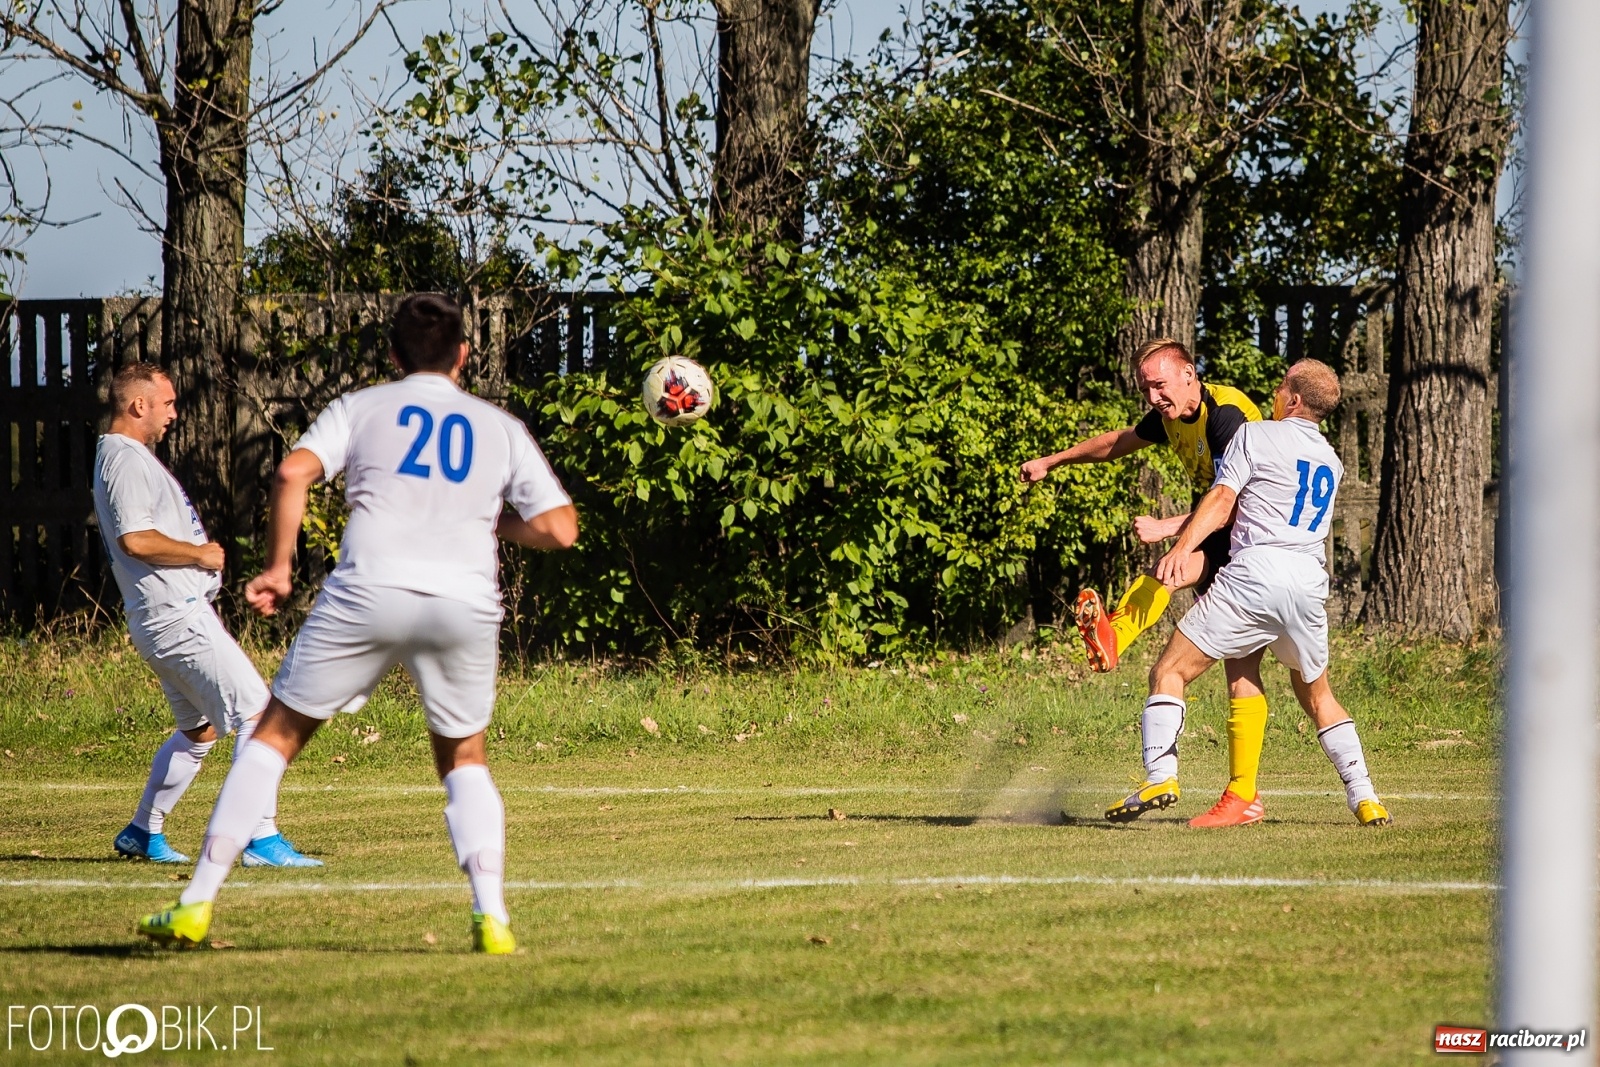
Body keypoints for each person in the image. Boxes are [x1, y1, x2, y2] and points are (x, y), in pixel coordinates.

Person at [137, 293, 579, 954]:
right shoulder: (498, 426)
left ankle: (196, 902)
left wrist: (280, 567)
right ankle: (493, 915)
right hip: (463, 599)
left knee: (273, 736)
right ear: (463, 354)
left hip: (369, 587)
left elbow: (293, 471)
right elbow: (559, 527)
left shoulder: (363, 407)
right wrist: (492, 522)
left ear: (394, 356)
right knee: (464, 755)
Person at [1118, 358, 1390, 828]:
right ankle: (1365, 797)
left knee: (1170, 671)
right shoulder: (1331, 459)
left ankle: (1161, 775)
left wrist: (1181, 547)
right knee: (1316, 694)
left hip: (1255, 575)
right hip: (1307, 585)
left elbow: (1222, 501)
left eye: (1282, 385)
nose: (1274, 391)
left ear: (1294, 398)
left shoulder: (1256, 434)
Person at [1020, 339, 1273, 826]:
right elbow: (1117, 443)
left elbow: (1234, 502)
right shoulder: (1171, 416)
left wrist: (1171, 529)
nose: (1153, 397)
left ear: (1189, 375)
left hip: (1254, 540)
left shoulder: (1227, 416)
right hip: (1235, 543)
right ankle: (1247, 795)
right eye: (1146, 388)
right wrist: (1053, 460)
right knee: (1246, 674)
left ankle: (1115, 636)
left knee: (1171, 577)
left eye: (1159, 385)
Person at [94, 362, 319, 868]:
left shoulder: (125, 457)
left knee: (200, 732)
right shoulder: (125, 459)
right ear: (138, 406)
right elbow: (135, 539)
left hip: (164, 618)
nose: (174, 413)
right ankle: (259, 839)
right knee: (260, 715)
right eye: (168, 403)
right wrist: (198, 555)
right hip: (175, 618)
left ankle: (141, 831)